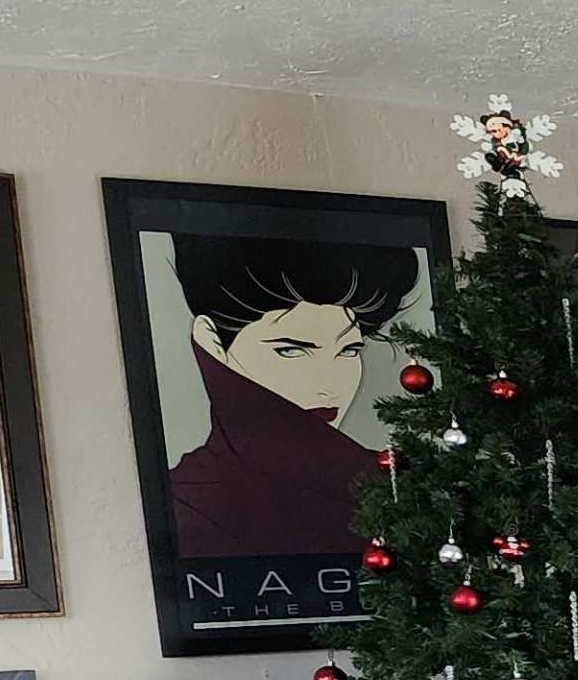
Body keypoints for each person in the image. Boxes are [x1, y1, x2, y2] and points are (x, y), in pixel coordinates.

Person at [161, 233, 423, 555]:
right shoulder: (186, 505)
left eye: (349, 350)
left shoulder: (400, 487)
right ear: (212, 342)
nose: (328, 385)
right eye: (290, 350)